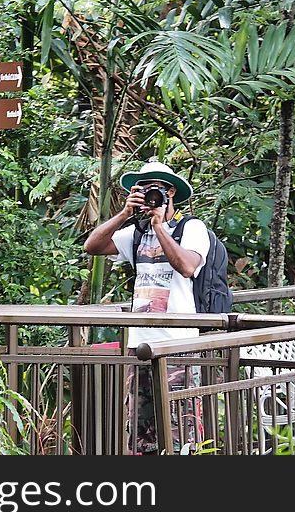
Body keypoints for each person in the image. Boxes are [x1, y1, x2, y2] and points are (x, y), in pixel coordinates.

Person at [83, 161, 210, 454]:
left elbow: (188, 267)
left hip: (179, 345)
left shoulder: (191, 228)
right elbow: (93, 246)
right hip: (140, 343)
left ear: (172, 193)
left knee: (180, 428)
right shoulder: (135, 232)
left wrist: (159, 226)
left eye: (159, 189)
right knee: (141, 431)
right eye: (145, 189)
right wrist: (125, 213)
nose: (152, 195)